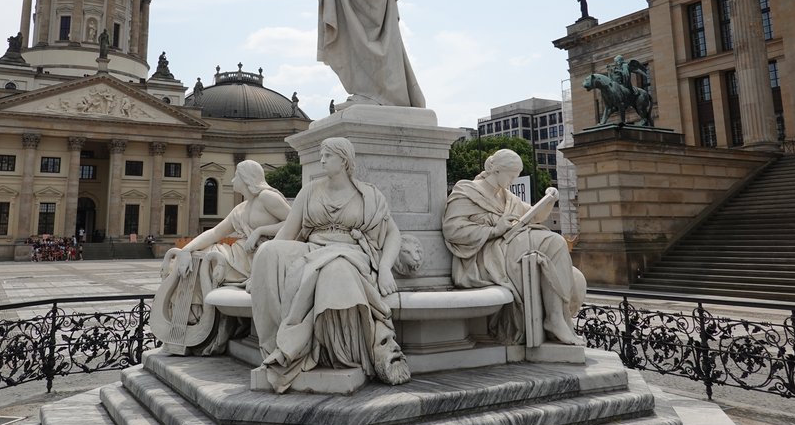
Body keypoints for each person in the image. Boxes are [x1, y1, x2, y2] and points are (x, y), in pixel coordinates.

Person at [251, 137, 410, 393]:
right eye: (321, 155)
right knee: (269, 251)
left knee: (335, 268)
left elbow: (393, 234)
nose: (321, 160)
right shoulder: (310, 190)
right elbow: (287, 233)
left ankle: (333, 351)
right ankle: (276, 345)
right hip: (312, 249)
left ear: (344, 160)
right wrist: (259, 266)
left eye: (328, 156)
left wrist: (384, 270)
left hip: (351, 252)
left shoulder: (368, 194)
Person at [150, 160, 290, 355]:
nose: (232, 180)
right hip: (238, 256)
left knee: (204, 263)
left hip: (259, 258)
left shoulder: (267, 198)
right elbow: (216, 232)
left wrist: (260, 231)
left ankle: (194, 325)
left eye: (236, 176)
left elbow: (294, 222)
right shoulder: (241, 208)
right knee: (195, 259)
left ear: (246, 178)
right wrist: (186, 250)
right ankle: (189, 324)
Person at [443, 149, 580, 346]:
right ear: (497, 170)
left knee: (554, 242)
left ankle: (556, 316)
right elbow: (452, 230)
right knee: (554, 242)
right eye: (512, 174)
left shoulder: (508, 197)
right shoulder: (466, 190)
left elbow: (535, 216)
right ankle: (554, 318)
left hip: (511, 245)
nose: (514, 180)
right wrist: (494, 230)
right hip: (486, 254)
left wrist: (549, 199)